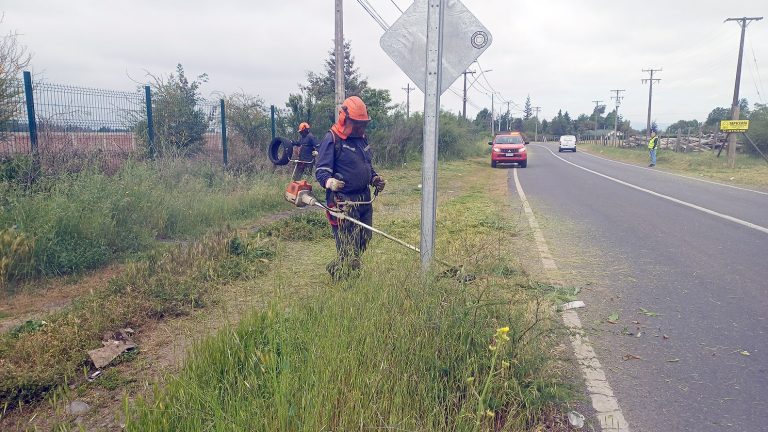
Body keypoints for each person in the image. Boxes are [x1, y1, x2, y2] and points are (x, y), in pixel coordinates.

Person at [315, 96, 386, 280]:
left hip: (364, 199)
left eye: (363, 124)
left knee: (364, 240)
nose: (361, 128)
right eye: (357, 124)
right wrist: (330, 182)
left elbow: (366, 164)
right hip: (342, 202)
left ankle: (336, 266)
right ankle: (345, 284)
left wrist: (374, 177)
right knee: (349, 246)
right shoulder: (332, 139)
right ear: (345, 120)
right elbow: (321, 171)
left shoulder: (361, 139)